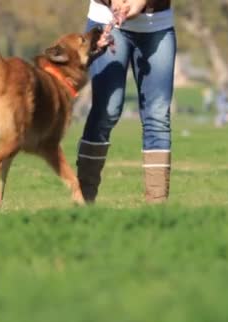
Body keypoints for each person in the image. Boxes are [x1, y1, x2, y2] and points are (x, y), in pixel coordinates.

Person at [77, 0, 176, 204]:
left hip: (157, 25)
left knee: (157, 115)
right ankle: (83, 202)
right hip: (107, 20)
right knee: (107, 110)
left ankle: (157, 208)